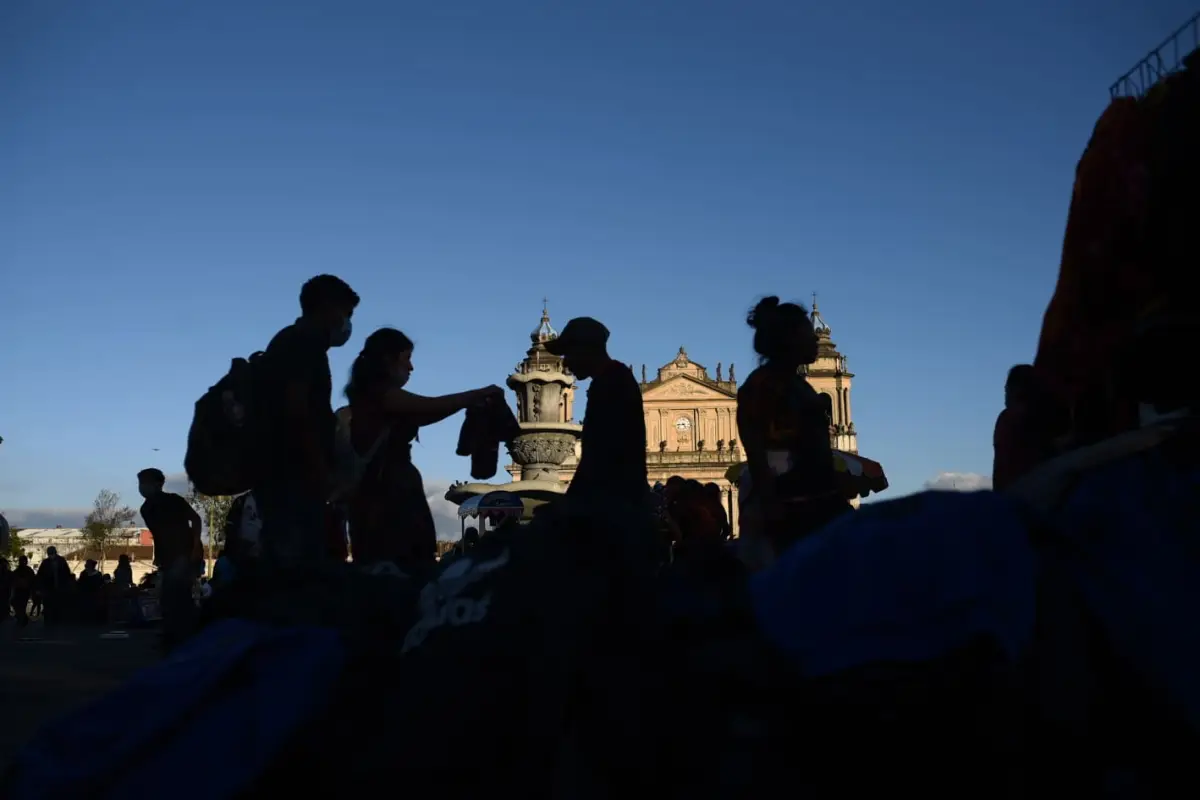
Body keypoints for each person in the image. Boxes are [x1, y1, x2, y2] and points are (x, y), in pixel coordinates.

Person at [341, 327, 502, 572]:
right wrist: (475, 395)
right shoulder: (378, 395)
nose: (411, 367)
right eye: (406, 359)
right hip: (387, 498)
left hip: (384, 494)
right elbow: (427, 408)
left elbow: (425, 412)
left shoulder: (368, 396)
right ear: (388, 360)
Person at [254, 274, 361, 571]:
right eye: (347, 314)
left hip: (287, 474)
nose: (347, 324)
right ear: (328, 309)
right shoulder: (304, 344)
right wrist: (320, 470)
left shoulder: (291, 341)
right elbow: (298, 412)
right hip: (293, 475)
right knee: (297, 568)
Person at [737, 296, 850, 558]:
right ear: (789, 340)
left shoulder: (792, 385)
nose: (815, 341)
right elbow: (758, 454)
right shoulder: (766, 387)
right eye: (808, 334)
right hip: (791, 509)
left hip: (807, 504)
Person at [544, 317, 648, 505]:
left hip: (614, 507)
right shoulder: (612, 378)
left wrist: (572, 503)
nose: (565, 363)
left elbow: (600, 456)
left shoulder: (611, 382)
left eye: (568, 354)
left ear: (584, 349)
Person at [138, 467, 203, 649]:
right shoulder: (146, 509)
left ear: (157, 484)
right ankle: (176, 633)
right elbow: (160, 535)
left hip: (183, 551)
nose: (142, 487)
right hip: (168, 555)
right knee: (170, 595)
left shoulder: (173, 501)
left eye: (145, 483)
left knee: (177, 593)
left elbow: (195, 519)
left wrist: (196, 546)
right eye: (141, 483)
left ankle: (182, 634)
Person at [10, 555, 35, 627]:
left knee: (22, 606)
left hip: (25, 591)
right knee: (17, 605)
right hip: (18, 590)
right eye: (21, 561)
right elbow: (13, 580)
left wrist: (33, 591)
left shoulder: (29, 570)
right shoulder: (17, 571)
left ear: (26, 562)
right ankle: (22, 618)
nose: (22, 562)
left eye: (23, 561)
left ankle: (21, 620)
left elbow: (32, 581)